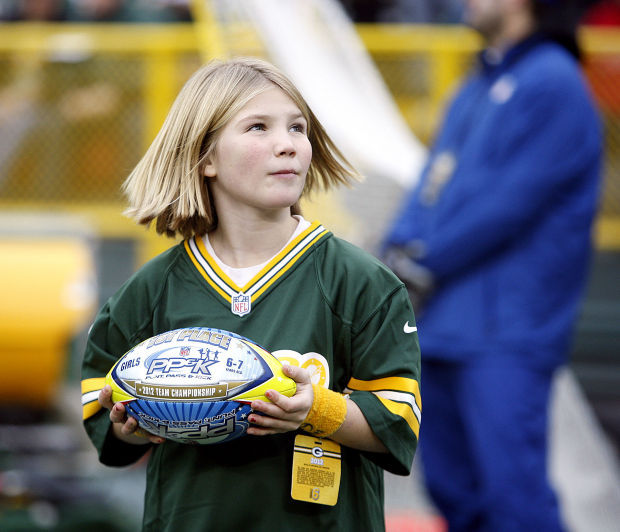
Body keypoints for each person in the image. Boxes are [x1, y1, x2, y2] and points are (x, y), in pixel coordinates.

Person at [81, 57, 421, 531]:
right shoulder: (150, 290)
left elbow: (397, 424)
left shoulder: (362, 281)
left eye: (297, 127)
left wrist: (314, 409)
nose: (287, 145)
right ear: (206, 158)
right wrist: (135, 418)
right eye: (258, 127)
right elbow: (104, 418)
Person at [382, 0, 602, 530]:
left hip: (507, 332)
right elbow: (429, 184)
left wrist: (421, 261)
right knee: (455, 496)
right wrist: (396, 250)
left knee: (513, 501)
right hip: (441, 325)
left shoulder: (555, 83)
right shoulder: (476, 84)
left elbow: (507, 205)